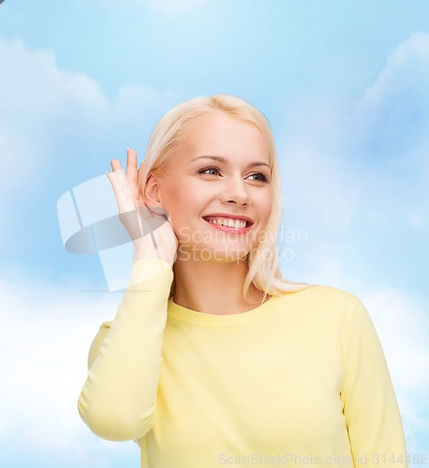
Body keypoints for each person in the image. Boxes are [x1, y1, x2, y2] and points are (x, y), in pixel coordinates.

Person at [77, 95, 408, 468]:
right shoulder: (125, 339)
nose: (238, 194)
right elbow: (113, 421)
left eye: (257, 177)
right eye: (210, 171)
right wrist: (150, 261)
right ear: (154, 190)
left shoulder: (337, 318)